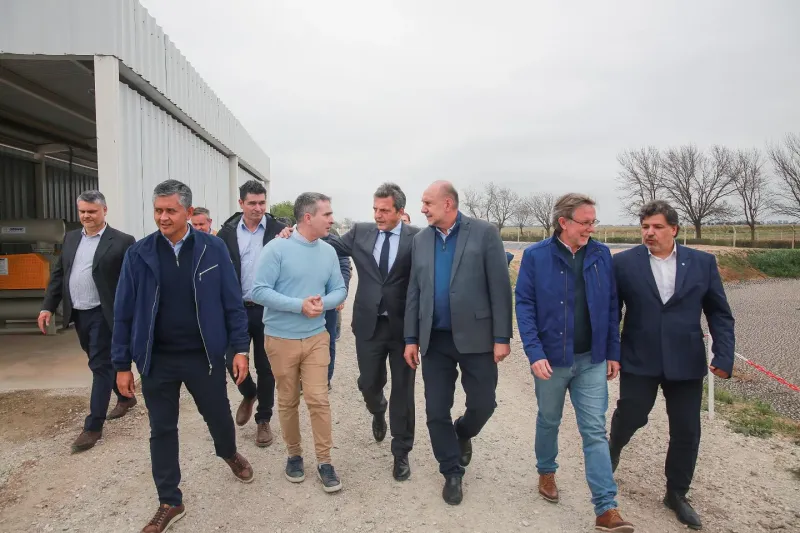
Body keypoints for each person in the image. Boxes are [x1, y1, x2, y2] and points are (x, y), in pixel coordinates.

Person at [112, 180, 254, 533]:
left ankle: (227, 451)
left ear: (189, 213)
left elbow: (232, 303)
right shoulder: (139, 253)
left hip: (202, 356)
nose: (162, 217)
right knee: (162, 429)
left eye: (170, 211)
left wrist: (239, 349)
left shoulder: (213, 249)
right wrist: (121, 365)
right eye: (158, 210)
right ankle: (170, 501)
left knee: (219, 417)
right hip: (157, 360)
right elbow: (123, 312)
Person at [609, 200, 735, 530]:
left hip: (686, 359)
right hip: (638, 356)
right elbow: (612, 312)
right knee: (633, 413)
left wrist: (724, 354)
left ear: (674, 229)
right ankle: (613, 448)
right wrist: (610, 352)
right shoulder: (622, 264)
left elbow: (719, 312)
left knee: (686, 430)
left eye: (657, 227)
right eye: (645, 227)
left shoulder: (703, 263)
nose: (649, 233)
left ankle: (676, 493)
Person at [515, 193, 634, 533]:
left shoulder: (601, 254)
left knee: (595, 431)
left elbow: (612, 306)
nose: (591, 228)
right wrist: (534, 353)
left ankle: (606, 509)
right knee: (549, 419)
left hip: (592, 360)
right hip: (551, 360)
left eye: (593, 221)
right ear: (563, 222)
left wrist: (613, 351)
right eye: (585, 222)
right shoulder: (536, 256)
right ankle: (546, 470)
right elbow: (523, 305)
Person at [403, 180, 512, 505]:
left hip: (478, 338)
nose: (422, 209)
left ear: (448, 204)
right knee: (436, 409)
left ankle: (462, 432)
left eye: (427, 203)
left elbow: (500, 288)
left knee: (484, 404)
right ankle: (451, 471)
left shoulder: (484, 233)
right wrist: (411, 337)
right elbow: (414, 291)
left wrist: (501, 337)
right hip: (434, 341)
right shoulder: (421, 240)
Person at [252, 192, 347, 493]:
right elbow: (259, 291)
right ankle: (294, 455)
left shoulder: (329, 252)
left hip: (317, 337)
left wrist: (322, 303)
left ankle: (325, 461)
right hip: (280, 339)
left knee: (319, 398)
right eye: (327, 214)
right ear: (308, 217)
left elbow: (340, 289)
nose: (332, 219)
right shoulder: (277, 249)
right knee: (288, 400)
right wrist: (298, 305)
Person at [327, 182, 419, 481]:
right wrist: (296, 233)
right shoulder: (359, 232)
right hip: (369, 324)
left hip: (404, 328)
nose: (378, 215)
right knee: (369, 383)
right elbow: (330, 244)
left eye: (385, 210)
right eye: (375, 209)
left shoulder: (417, 238)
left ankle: (401, 451)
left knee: (403, 391)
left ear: (400, 211)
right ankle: (378, 409)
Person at [39, 190, 136, 453]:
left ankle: (93, 426)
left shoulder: (122, 241)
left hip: (104, 314)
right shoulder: (71, 239)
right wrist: (48, 307)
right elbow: (59, 274)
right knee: (97, 357)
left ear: (104, 210)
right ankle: (125, 397)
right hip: (78, 312)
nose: (86, 216)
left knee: (99, 366)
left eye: (91, 211)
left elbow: (133, 280)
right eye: (82, 211)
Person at [216, 180, 287, 446]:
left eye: (261, 203)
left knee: (266, 366)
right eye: (252, 203)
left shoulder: (281, 231)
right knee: (231, 359)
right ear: (241, 204)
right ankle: (249, 392)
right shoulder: (227, 233)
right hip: (236, 310)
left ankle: (263, 419)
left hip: (269, 310)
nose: (258, 208)